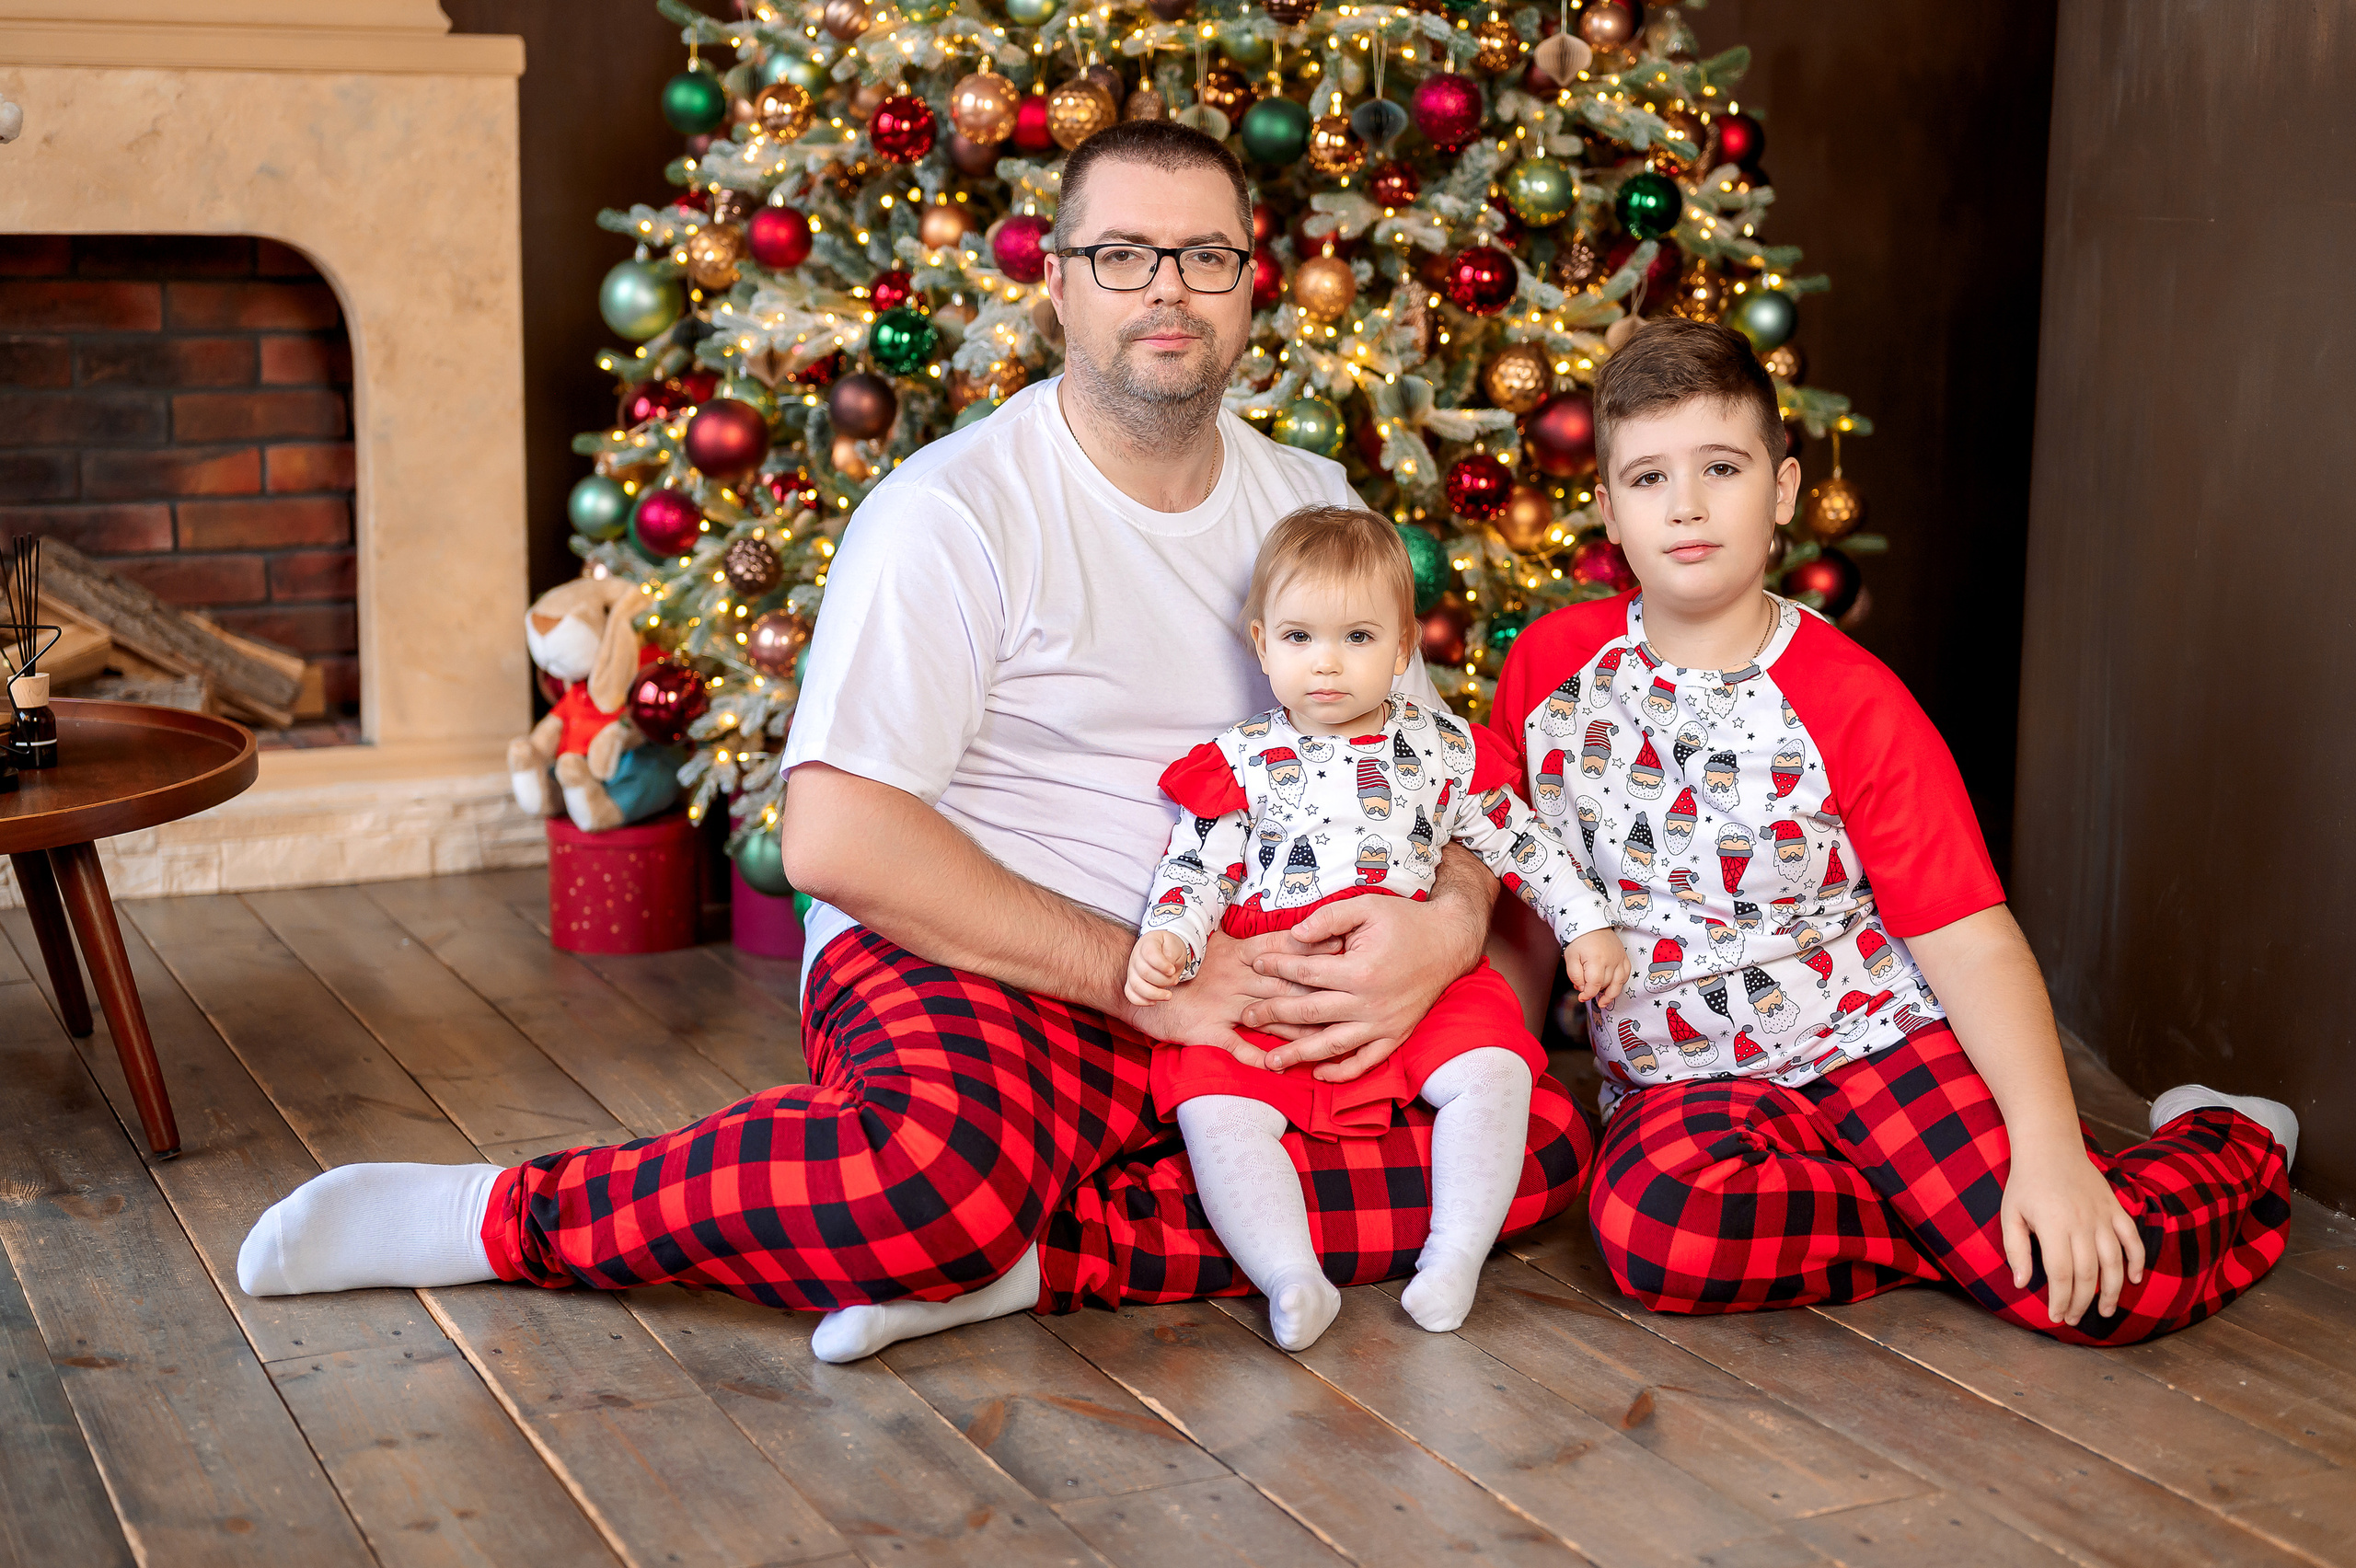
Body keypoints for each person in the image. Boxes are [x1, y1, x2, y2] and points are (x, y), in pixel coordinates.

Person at [234, 121, 1597, 1363]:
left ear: (1252, 287)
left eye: (1204, 255)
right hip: (989, 952)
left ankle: (1024, 1256)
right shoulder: (950, 514)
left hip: (1251, 974)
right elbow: (834, 838)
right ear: (1057, 284)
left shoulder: (1313, 501)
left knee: (1530, 1146)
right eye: (1122, 254)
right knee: (928, 1183)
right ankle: (500, 1218)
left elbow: (1441, 772)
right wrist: (1144, 982)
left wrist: (1445, 924)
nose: (1165, 289)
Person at [1484, 317, 2295, 1344]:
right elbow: (1520, 892)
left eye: (1720, 468)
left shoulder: (1848, 696)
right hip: (1684, 1084)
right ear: (1604, 508)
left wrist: (2045, 1153)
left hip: (1872, 1043)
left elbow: (1966, 933)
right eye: (1646, 479)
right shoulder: (1549, 671)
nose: (1683, 506)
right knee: (1656, 1232)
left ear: (1780, 492)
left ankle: (2229, 1140)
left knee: (2092, 1288)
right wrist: (1496, 1059)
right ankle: (1958, 1233)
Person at [1106, 505, 1628, 1348]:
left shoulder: (1443, 750)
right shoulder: (1241, 761)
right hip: (1274, 978)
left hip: (1422, 973)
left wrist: (1585, 925)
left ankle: (1455, 1254)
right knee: (1216, 1107)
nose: (1327, 664)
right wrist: (1171, 938)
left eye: (1356, 638)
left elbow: (1521, 843)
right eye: (1301, 637)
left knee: (1496, 1068)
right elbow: (1200, 868)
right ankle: (1289, 1276)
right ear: (1262, 644)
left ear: (1402, 647)